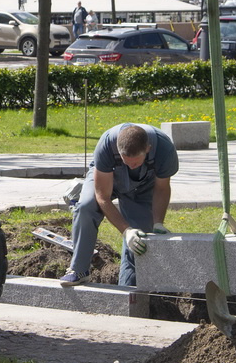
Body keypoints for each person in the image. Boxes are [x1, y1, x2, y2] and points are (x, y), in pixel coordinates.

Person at [60, 123, 179, 287]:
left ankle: (129, 290)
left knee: (140, 241)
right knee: (86, 207)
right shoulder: (107, 145)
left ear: (148, 149)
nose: (130, 166)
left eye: (136, 163)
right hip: (107, 177)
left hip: (144, 186)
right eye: (126, 162)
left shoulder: (164, 149)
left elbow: (161, 188)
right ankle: (78, 270)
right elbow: (102, 196)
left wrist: (158, 222)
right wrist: (126, 230)